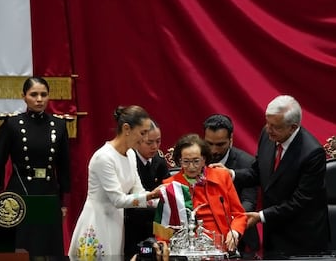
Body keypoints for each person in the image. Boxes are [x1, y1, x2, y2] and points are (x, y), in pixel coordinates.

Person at [212, 95, 330, 256]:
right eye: (268, 123)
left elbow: (300, 202)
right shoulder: (268, 135)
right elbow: (257, 172)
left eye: (275, 126)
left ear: (293, 127)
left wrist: (260, 216)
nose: (268, 129)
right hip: (273, 235)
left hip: (302, 239)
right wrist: (231, 174)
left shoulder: (312, 153)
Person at [0, 76, 70, 256]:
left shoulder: (59, 125)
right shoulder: (12, 124)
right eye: (34, 94)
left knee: (48, 247)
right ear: (24, 96)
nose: (39, 99)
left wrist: (63, 202)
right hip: (20, 190)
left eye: (43, 94)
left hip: (48, 192)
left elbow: (63, 166)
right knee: (20, 246)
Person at [68, 105, 163, 258]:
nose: (145, 138)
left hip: (116, 222)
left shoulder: (131, 154)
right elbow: (118, 200)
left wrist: (165, 197)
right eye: (142, 133)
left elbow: (138, 192)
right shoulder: (104, 157)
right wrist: (151, 196)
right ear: (126, 129)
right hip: (97, 222)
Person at [162, 133, 247, 253]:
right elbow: (162, 227)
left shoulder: (222, 177)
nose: (191, 167)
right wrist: (166, 250)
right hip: (186, 250)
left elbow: (239, 215)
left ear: (204, 160)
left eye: (196, 161)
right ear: (179, 161)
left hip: (221, 247)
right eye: (186, 161)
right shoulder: (169, 185)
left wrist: (234, 232)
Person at [203, 114, 260, 258]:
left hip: (240, 238)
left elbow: (248, 203)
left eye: (220, 144)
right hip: (204, 238)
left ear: (231, 140)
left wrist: (229, 225)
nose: (214, 150)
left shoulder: (247, 163)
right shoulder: (196, 160)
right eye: (209, 144)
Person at [124, 120, 171, 258]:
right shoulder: (129, 159)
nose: (155, 147)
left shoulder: (159, 161)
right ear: (138, 140)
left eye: (158, 141)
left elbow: (167, 185)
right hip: (132, 221)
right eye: (149, 143)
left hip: (155, 221)